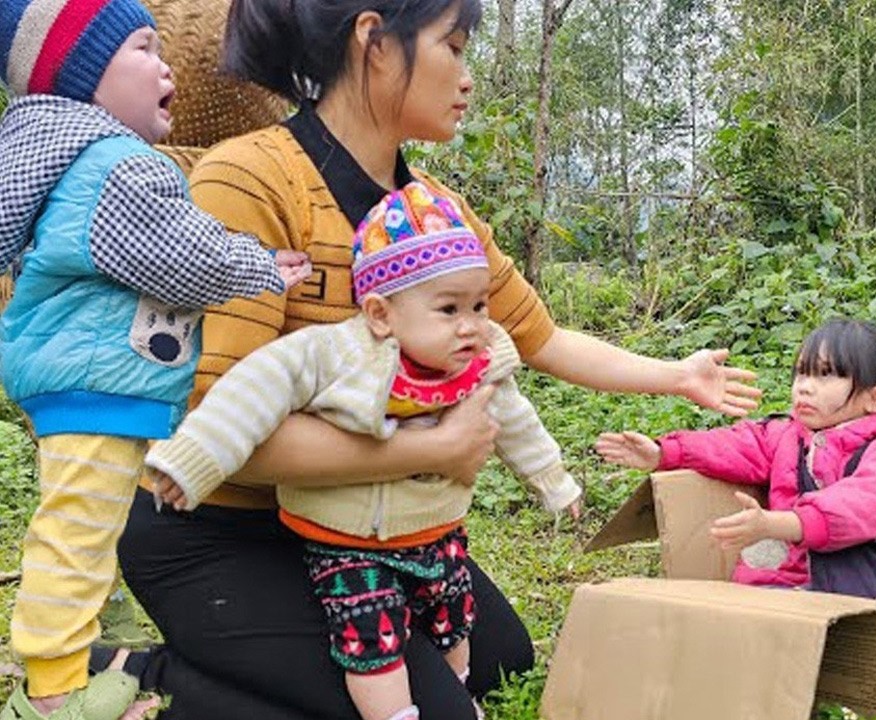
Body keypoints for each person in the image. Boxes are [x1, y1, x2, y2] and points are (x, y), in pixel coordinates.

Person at [110, 1, 761, 718]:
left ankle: (230, 665)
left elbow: (540, 339)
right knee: (427, 707)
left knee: (500, 654)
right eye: (452, 46)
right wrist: (434, 446)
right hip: (215, 530)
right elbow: (221, 425)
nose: (467, 77)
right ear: (374, 41)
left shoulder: (434, 214)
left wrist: (677, 375)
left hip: (353, 520)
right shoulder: (251, 181)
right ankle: (148, 676)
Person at [146, 181, 584, 720]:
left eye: (478, 304)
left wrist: (553, 481)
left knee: (454, 619)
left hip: (438, 533)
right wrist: (192, 462)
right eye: (448, 309)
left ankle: (457, 688)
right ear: (380, 314)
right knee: (371, 646)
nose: (471, 324)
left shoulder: (479, 358)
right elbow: (248, 394)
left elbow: (517, 422)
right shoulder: (332, 355)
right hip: (347, 543)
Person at [0, 0, 311, 717]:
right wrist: (257, 265)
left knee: (87, 525)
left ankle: (75, 665)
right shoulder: (117, 167)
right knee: (76, 536)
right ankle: (51, 697)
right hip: (95, 385)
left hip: (92, 384)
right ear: (81, 77)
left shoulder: (75, 159)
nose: (166, 62)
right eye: (143, 48)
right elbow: (181, 255)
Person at [596, 319, 876, 720]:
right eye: (801, 372)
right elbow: (732, 444)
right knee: (752, 629)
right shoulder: (785, 436)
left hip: (865, 590)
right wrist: (663, 452)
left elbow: (860, 505)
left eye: (826, 375)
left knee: (856, 651)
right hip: (786, 588)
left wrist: (780, 524)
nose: (804, 386)